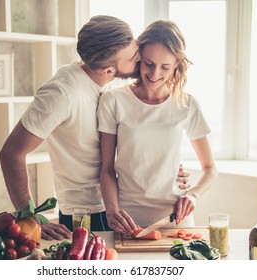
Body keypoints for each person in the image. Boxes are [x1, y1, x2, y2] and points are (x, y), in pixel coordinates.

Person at [0, 16, 190, 240]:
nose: (140, 59)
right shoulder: (61, 94)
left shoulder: (109, 78)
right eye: (133, 57)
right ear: (108, 70)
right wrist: (29, 217)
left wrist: (168, 167)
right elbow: (11, 153)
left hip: (121, 204)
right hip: (86, 212)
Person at [97, 19, 218, 234]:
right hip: (127, 220)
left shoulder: (187, 104)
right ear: (138, 60)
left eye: (165, 67)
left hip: (176, 218)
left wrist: (193, 194)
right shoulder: (113, 100)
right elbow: (106, 168)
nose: (154, 74)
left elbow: (209, 169)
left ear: (176, 66)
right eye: (149, 63)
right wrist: (112, 210)